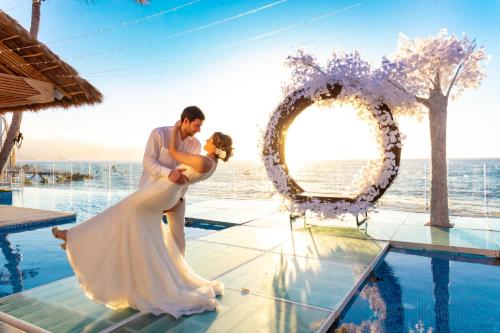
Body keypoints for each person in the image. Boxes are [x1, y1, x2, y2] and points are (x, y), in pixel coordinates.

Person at [51, 119, 233, 318]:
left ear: (215, 145)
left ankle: (76, 239)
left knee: (122, 210)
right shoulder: (211, 163)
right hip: (168, 191)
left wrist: (174, 131)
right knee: (130, 221)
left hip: (165, 191)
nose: (204, 138)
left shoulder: (205, 161)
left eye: (209, 139)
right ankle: (78, 240)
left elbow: (174, 153)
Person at [140, 105, 205, 256]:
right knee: (149, 236)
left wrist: (179, 198)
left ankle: (179, 273)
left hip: (177, 196)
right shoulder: (160, 133)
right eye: (197, 126)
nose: (199, 130)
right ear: (186, 121)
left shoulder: (196, 145)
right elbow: (148, 161)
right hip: (151, 193)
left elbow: (190, 174)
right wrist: (169, 173)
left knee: (178, 236)